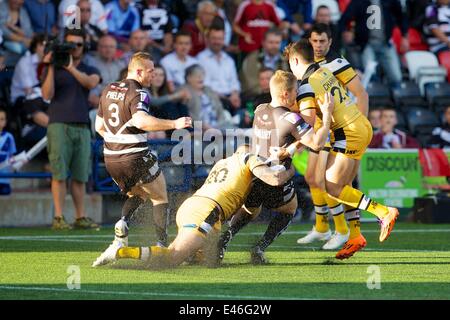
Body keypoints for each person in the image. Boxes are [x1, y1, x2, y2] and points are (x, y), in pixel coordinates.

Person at [285, 39, 399, 259]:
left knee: (332, 186)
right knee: (344, 186)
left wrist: (287, 113)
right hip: (360, 123)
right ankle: (355, 235)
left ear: (295, 60)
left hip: (347, 132)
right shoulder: (324, 72)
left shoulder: (306, 85)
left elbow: (306, 121)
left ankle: (383, 211)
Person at [92, 144, 295, 268]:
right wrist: (288, 168)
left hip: (194, 207)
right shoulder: (248, 159)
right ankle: (120, 252)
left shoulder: (223, 162)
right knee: (172, 258)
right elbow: (275, 179)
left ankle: (193, 253)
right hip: (206, 212)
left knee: (207, 258)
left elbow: (247, 201)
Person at [217, 70, 334, 265]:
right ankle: (259, 247)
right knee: (289, 209)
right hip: (277, 176)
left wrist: (293, 144)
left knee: (249, 210)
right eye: (295, 91)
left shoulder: (260, 109)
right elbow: (316, 144)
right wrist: (328, 114)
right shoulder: (291, 120)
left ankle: (224, 239)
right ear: (286, 94)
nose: (297, 95)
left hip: (254, 173)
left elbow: (286, 132)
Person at [94, 52, 192, 250]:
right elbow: (140, 121)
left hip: (111, 159)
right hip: (134, 155)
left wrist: (117, 142)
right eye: (150, 71)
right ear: (138, 71)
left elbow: (99, 126)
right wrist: (174, 123)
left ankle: (122, 224)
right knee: (160, 196)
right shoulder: (139, 93)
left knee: (138, 194)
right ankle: (161, 246)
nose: (153, 75)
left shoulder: (108, 89)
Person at [296, 23, 369, 251]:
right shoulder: (306, 69)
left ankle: (342, 230)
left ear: (330, 43)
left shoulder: (336, 64)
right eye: (314, 41)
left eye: (322, 41)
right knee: (312, 177)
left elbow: (360, 93)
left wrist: (359, 122)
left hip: (337, 129)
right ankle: (322, 226)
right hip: (320, 128)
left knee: (331, 182)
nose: (318, 46)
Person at [41, 28, 101, 230]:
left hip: (82, 126)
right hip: (58, 124)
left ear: (85, 46)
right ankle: (58, 216)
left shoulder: (89, 67)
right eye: (70, 44)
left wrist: (70, 67)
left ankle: (79, 216)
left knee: (80, 175)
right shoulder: (54, 68)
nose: (74, 48)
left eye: (79, 44)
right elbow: (47, 94)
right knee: (59, 173)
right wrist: (50, 65)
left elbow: (91, 82)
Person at [338, 0, 407, 88]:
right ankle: (373, 99)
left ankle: (396, 99)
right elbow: (344, 19)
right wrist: (346, 31)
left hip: (386, 43)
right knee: (369, 76)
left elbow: (401, 16)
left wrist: (404, 36)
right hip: (367, 44)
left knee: (396, 77)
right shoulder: (359, 2)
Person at [197, 26, 241, 115]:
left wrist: (235, 94)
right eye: (214, 38)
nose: (217, 42)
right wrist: (225, 98)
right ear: (207, 39)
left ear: (224, 40)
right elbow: (203, 85)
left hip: (230, 99)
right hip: (212, 99)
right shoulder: (200, 59)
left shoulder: (229, 60)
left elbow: (234, 82)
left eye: (220, 39)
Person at [10, 33, 49, 129]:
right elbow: (29, 90)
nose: (45, 48)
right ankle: (55, 129)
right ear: (35, 47)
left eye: (47, 45)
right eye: (42, 45)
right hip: (22, 100)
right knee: (32, 103)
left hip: (40, 97)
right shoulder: (24, 62)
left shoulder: (48, 64)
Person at [181, 64, 234, 130]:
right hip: (198, 129)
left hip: (217, 126)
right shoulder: (183, 91)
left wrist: (221, 123)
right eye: (197, 75)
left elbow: (219, 108)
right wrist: (203, 126)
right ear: (188, 78)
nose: (200, 77)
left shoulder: (208, 90)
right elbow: (187, 114)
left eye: (202, 74)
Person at [240, 28, 288, 96]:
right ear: (263, 43)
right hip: (255, 97)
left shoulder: (285, 60)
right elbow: (250, 83)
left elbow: (287, 82)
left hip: (278, 98)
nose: (274, 46)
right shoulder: (252, 58)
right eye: (271, 42)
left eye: (277, 42)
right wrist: (269, 92)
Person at [0, 0, 34, 65]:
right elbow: (3, 30)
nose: (17, 2)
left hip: (21, 46)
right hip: (4, 47)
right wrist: (23, 39)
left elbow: (29, 32)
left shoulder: (23, 11)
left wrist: (14, 28)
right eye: (15, 1)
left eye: (20, 1)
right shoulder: (2, 7)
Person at [0, 107, 17, 195]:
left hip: (5, 176)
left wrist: (16, 165)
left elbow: (12, 155)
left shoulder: (9, 137)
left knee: (6, 192)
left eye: (2, 119)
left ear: (5, 121)